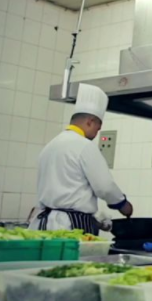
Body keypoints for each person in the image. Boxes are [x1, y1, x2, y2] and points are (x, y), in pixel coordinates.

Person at [31, 84, 133, 235]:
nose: (97, 133)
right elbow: (105, 187)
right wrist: (123, 205)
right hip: (73, 226)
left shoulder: (50, 146)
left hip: (44, 225)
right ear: (90, 122)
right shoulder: (85, 146)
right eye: (97, 128)